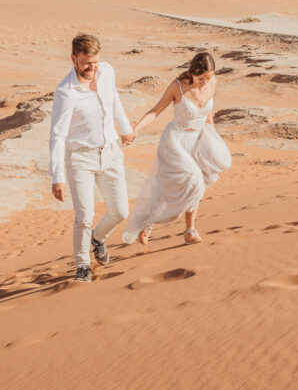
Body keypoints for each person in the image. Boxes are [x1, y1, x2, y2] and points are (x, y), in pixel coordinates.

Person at [120, 51, 231, 246]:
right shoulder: (178, 87)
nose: (205, 82)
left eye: (209, 77)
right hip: (176, 142)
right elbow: (155, 111)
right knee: (188, 183)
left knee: (196, 185)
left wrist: (213, 138)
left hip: (199, 139)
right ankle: (148, 221)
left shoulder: (213, 83)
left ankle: (189, 231)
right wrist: (135, 129)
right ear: (193, 73)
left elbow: (208, 114)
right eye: (201, 78)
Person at [49, 33, 135, 282]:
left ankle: (97, 238)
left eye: (95, 62)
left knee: (120, 211)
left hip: (110, 153)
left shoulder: (107, 72)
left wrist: (125, 128)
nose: (92, 67)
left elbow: (114, 100)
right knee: (83, 216)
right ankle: (82, 265)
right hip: (80, 160)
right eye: (87, 63)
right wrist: (57, 176)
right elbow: (57, 135)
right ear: (73, 59)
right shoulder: (65, 93)